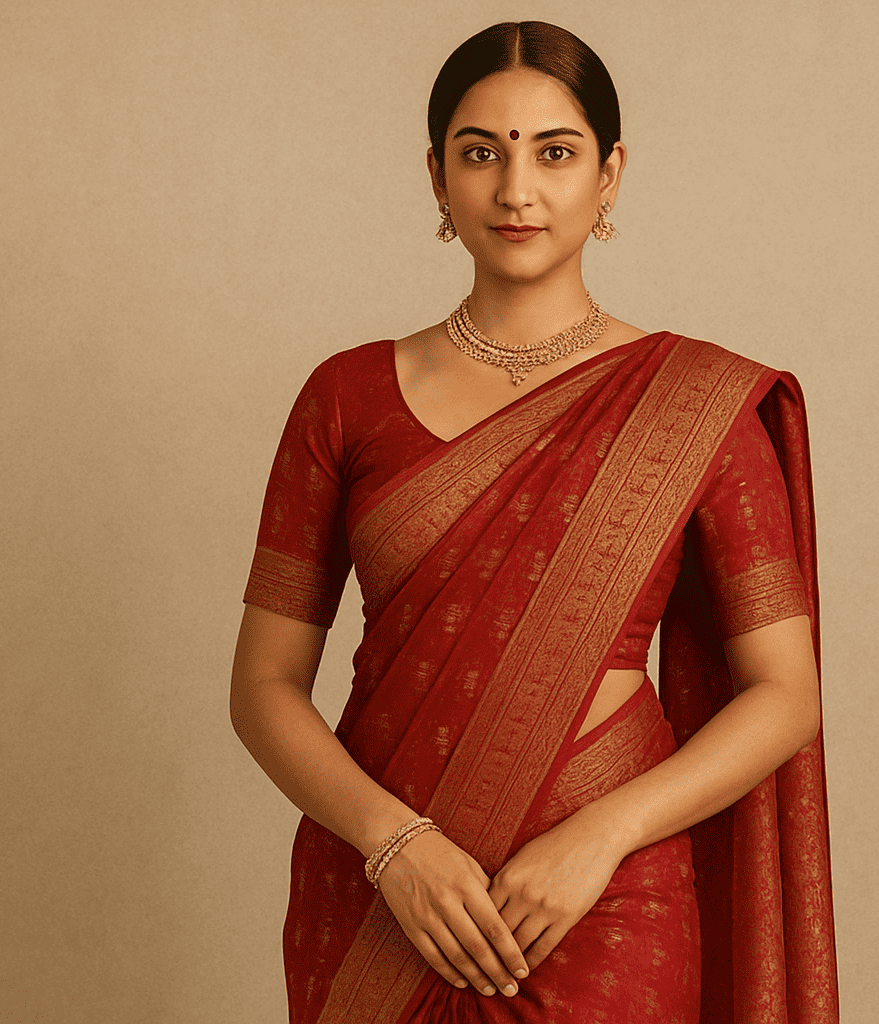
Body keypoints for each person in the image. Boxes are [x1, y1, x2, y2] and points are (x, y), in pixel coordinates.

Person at [229, 20, 839, 1024]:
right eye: (482, 153)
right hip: (386, 901)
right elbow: (261, 686)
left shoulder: (693, 406)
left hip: (606, 898)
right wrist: (395, 845)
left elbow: (784, 694)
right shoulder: (345, 398)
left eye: (555, 152)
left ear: (610, 175)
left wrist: (603, 836)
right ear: (437, 178)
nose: (517, 190)